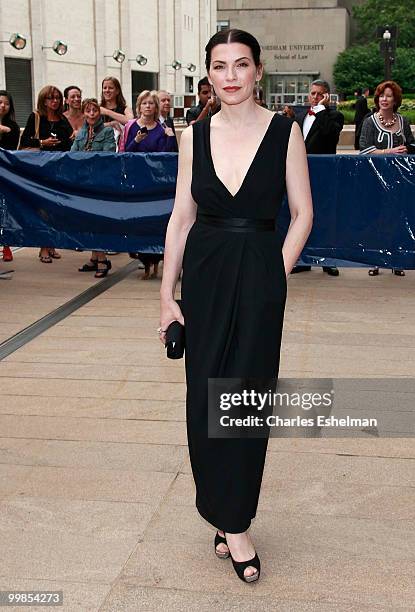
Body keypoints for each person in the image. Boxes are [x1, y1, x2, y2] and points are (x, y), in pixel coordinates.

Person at [158, 28, 313, 583]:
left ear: (257, 71)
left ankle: (237, 521)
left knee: (244, 402)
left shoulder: (284, 132)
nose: (230, 76)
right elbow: (181, 219)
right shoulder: (191, 137)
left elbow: (302, 215)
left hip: (259, 277)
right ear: (208, 74)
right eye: (220, 66)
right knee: (204, 403)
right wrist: (165, 298)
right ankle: (220, 513)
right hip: (203, 276)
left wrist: (276, 270)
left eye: (240, 64)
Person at [359, 80, 415, 277]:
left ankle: (396, 260)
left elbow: (411, 146)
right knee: (376, 218)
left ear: (395, 100)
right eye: (382, 95)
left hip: (399, 179)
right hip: (375, 178)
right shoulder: (370, 121)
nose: (384, 99)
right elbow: (364, 149)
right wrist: (389, 151)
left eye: (389, 95)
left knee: (398, 217)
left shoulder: (403, 121)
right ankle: (375, 260)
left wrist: (407, 151)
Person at [293, 79, 344, 276]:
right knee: (300, 216)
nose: (315, 97)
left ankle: (327, 260)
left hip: (324, 175)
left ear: (327, 96)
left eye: (319, 94)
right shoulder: (300, 116)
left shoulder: (334, 116)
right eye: (313, 93)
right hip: (300, 174)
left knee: (324, 217)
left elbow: (330, 134)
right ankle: (304, 258)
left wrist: (322, 110)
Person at [20, 85, 73, 263]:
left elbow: (68, 143)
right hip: (40, 169)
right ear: (44, 100)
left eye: (57, 98)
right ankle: (43, 245)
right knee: (42, 207)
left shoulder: (63, 119)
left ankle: (51, 244)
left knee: (54, 208)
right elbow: (25, 140)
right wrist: (43, 142)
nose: (55, 101)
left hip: (58, 169)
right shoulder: (35, 117)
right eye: (51, 98)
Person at [72, 98, 115, 278]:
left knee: (98, 220)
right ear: (83, 113)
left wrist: (86, 158)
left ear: (99, 112)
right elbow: (73, 153)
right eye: (88, 110)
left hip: (99, 182)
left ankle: (103, 259)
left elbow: (107, 154)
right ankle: (94, 256)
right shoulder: (81, 133)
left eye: (94, 110)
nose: (91, 114)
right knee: (86, 220)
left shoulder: (106, 131)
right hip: (83, 182)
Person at [0, 90, 20, 262]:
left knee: (5, 210)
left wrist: (5, 129)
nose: (2, 106)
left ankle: (6, 246)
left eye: (6, 103)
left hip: (4, 174)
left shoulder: (13, 126)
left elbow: (11, 148)